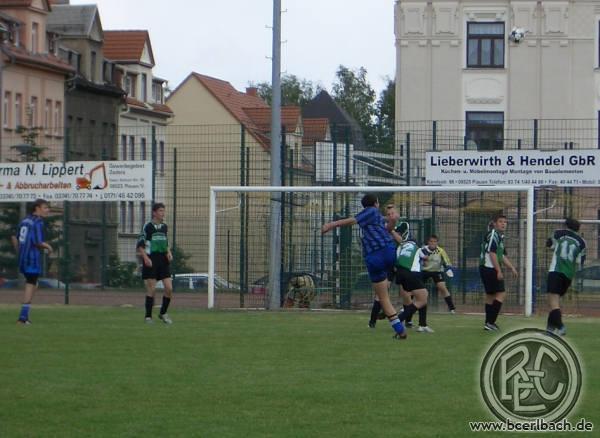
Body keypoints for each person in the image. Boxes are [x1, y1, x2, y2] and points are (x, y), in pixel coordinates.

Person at [322, 194, 407, 340]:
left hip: (374, 256)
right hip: (388, 251)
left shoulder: (373, 215)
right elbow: (385, 228)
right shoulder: (373, 212)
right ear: (376, 203)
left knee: (383, 298)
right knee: (388, 292)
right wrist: (393, 220)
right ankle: (400, 324)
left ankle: (400, 329)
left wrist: (331, 224)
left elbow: (353, 221)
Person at [12, 199, 53, 324]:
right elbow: (37, 242)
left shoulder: (24, 220)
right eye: (45, 207)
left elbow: (14, 237)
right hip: (32, 259)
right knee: (31, 284)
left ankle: (25, 315)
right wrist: (48, 247)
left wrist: (19, 251)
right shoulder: (38, 222)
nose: (48, 210)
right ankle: (22, 318)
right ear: (37, 208)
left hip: (23, 258)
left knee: (34, 284)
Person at [390, 222, 434, 333]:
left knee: (419, 297)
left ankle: (421, 324)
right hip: (412, 273)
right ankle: (399, 319)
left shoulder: (400, 247)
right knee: (423, 298)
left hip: (400, 274)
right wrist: (425, 254)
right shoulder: (416, 246)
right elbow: (426, 258)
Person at [545, 218, 586, 336]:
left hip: (556, 271)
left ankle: (560, 326)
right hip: (568, 275)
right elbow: (581, 261)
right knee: (555, 302)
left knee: (553, 302)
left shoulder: (558, 234)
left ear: (566, 225)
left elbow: (549, 244)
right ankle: (549, 330)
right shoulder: (582, 242)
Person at [479, 214, 518, 331]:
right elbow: (492, 254)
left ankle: (488, 323)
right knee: (501, 293)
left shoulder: (499, 236)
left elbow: (501, 256)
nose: (503, 224)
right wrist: (498, 271)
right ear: (494, 223)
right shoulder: (492, 235)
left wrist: (511, 267)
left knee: (490, 296)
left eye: (505, 222)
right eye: (501, 221)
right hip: (489, 268)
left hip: (487, 268)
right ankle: (490, 322)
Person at [137, 203, 174, 324]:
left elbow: (166, 242)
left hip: (163, 260)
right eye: (160, 211)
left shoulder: (164, 226)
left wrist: (168, 252)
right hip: (151, 259)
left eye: (164, 211)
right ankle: (148, 317)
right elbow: (140, 244)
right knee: (151, 289)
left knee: (169, 288)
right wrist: (145, 258)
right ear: (154, 213)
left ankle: (163, 313)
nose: (163, 213)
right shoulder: (147, 226)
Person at [421, 235, 456, 313]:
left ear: (437, 243)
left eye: (435, 241)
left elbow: (447, 261)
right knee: (416, 288)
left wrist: (448, 269)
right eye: (431, 241)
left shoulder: (441, 251)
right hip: (424, 271)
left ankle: (452, 308)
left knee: (442, 287)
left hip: (436, 271)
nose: (433, 243)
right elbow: (419, 260)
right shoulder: (423, 250)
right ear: (428, 242)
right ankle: (408, 305)